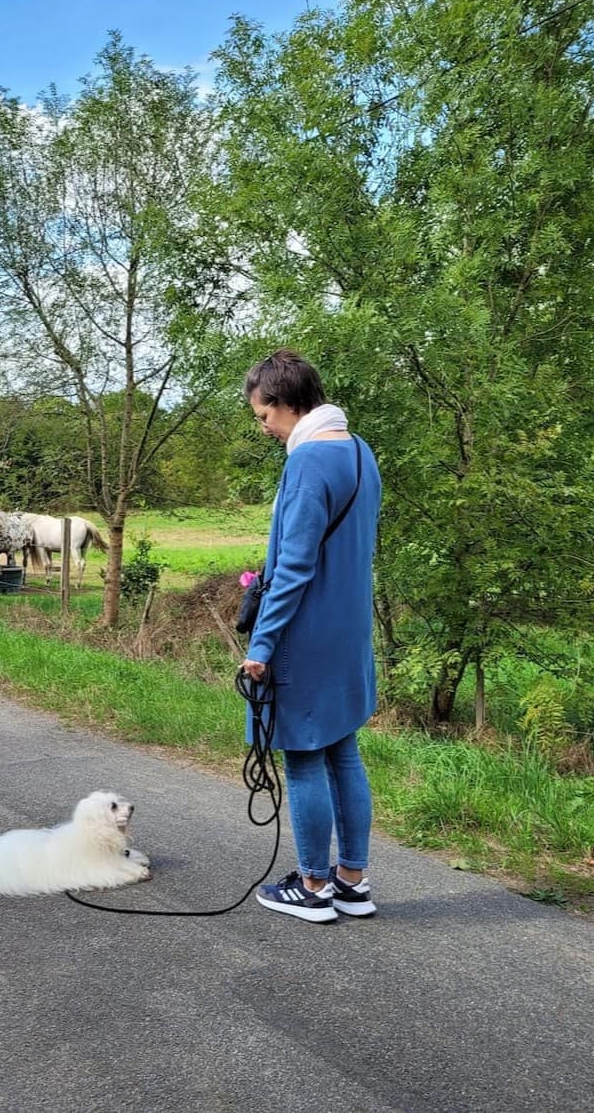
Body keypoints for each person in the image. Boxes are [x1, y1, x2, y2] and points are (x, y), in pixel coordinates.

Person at [240, 349, 381, 924]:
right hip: (349, 632)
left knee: (301, 758)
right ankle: (352, 881)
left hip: (306, 635)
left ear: (284, 403)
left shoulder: (305, 464)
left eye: (262, 415)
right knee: (343, 752)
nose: (265, 428)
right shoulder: (359, 451)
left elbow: (295, 568)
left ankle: (314, 886)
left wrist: (261, 645)